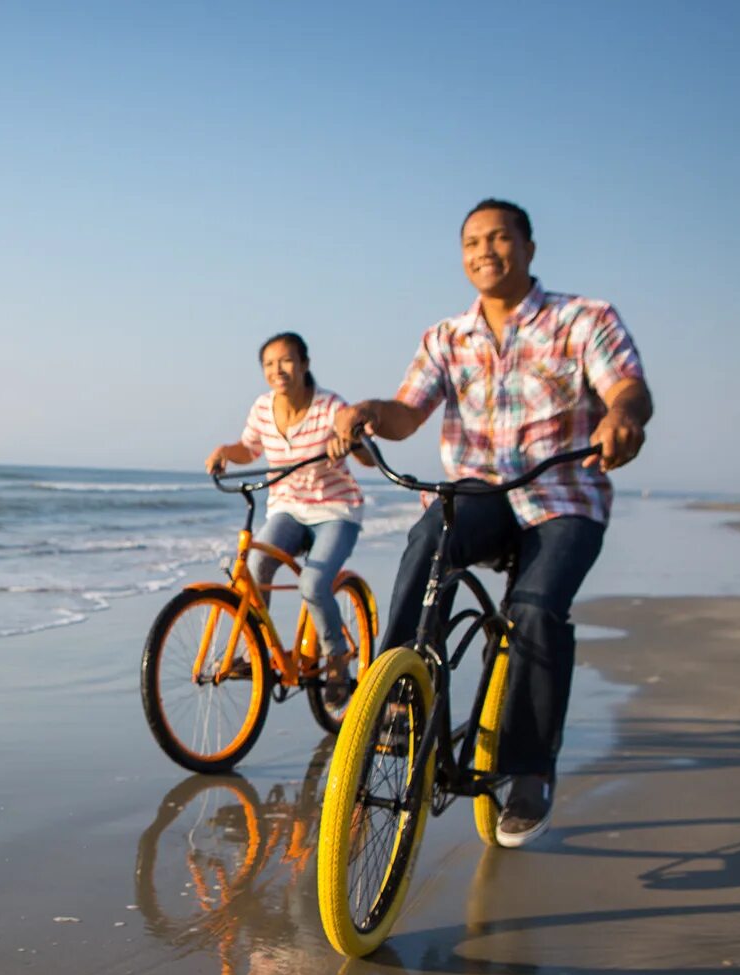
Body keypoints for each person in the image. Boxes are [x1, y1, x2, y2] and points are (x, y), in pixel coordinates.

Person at [330, 199, 653, 846]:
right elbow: (407, 411)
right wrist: (368, 411)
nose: (485, 251)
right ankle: (397, 702)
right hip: (480, 491)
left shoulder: (583, 319)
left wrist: (623, 420)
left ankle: (529, 769)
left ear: (529, 247)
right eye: (472, 241)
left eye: (499, 237)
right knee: (430, 543)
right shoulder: (447, 337)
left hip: (565, 497)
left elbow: (628, 389)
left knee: (534, 609)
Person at [205, 332, 365, 691]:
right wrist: (224, 453)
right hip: (287, 509)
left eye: (286, 360)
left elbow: (363, 449)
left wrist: (349, 443)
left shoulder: (330, 407)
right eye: (269, 364)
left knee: (312, 582)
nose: (278, 370)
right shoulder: (263, 407)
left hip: (335, 510)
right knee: (256, 565)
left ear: (305, 364)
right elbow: (249, 449)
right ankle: (256, 654)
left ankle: (336, 657)